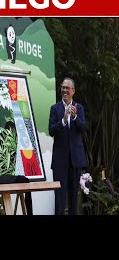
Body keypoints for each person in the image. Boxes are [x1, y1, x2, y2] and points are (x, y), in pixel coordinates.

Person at [49, 77, 88, 215]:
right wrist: (64, 120)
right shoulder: (55, 109)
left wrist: (75, 117)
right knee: (59, 197)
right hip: (60, 161)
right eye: (63, 87)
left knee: (74, 197)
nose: (64, 90)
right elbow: (51, 130)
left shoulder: (80, 108)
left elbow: (84, 128)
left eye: (67, 88)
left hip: (75, 160)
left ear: (73, 91)